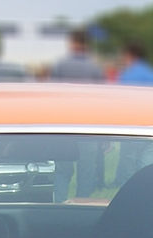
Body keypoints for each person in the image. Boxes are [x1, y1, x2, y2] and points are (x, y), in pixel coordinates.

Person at [52, 29, 106, 202]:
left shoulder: (60, 65)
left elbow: (52, 96)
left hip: (63, 125)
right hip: (88, 125)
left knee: (62, 169)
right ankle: (83, 203)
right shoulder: (95, 68)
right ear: (87, 44)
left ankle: (59, 202)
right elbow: (103, 101)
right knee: (86, 170)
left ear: (73, 43)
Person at [113, 42, 153, 188]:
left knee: (129, 161)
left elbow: (121, 103)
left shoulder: (127, 76)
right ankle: (145, 189)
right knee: (147, 162)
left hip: (133, 125)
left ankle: (130, 191)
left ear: (130, 55)